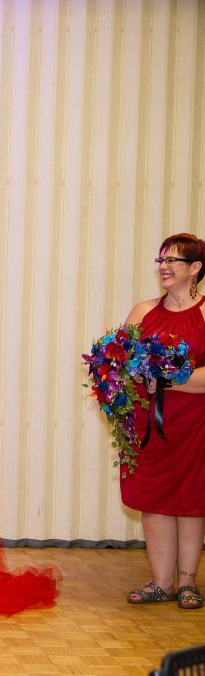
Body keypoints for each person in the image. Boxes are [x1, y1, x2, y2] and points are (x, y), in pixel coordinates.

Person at [122, 233, 205, 611]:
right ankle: (160, 582)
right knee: (153, 499)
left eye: (173, 260)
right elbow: (119, 362)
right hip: (148, 423)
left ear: (195, 268)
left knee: (191, 500)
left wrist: (169, 379)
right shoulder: (143, 311)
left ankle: (187, 583)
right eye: (161, 260)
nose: (165, 267)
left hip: (195, 422)